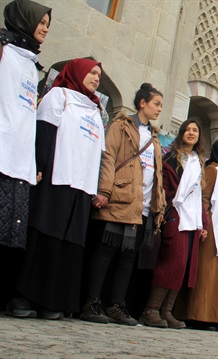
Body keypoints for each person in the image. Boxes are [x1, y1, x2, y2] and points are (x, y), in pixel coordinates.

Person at [15, 58, 104, 320]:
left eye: (99, 75)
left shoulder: (95, 110)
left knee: (70, 243)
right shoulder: (59, 96)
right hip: (57, 178)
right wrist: (40, 164)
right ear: (77, 72)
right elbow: (44, 132)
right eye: (92, 72)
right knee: (45, 235)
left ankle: (53, 300)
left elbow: (98, 152)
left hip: (81, 186)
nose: (97, 78)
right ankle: (24, 296)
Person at [81, 83, 166, 325]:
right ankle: (91, 301)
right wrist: (105, 189)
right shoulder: (121, 126)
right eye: (156, 104)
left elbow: (156, 173)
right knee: (107, 250)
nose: (159, 109)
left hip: (143, 205)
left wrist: (158, 204)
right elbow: (109, 156)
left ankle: (116, 304)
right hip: (120, 196)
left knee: (128, 256)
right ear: (142, 103)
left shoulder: (155, 137)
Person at [0, 0, 51, 317]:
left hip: (20, 161)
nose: (45, 27)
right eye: (41, 21)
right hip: (3, 154)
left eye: (48, 23)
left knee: (10, 235)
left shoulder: (32, 65)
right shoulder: (4, 51)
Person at [139, 119, 208, 329]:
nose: (191, 133)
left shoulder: (199, 161)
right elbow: (165, 185)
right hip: (174, 214)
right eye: (187, 129)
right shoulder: (171, 156)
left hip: (192, 219)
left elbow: (199, 196)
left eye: (195, 130)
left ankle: (167, 311)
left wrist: (203, 223)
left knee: (184, 265)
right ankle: (151, 309)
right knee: (171, 262)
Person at [173, 138, 218, 330]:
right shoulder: (212, 171)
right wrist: (203, 224)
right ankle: (199, 314)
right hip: (212, 230)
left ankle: (216, 316)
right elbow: (204, 199)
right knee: (207, 274)